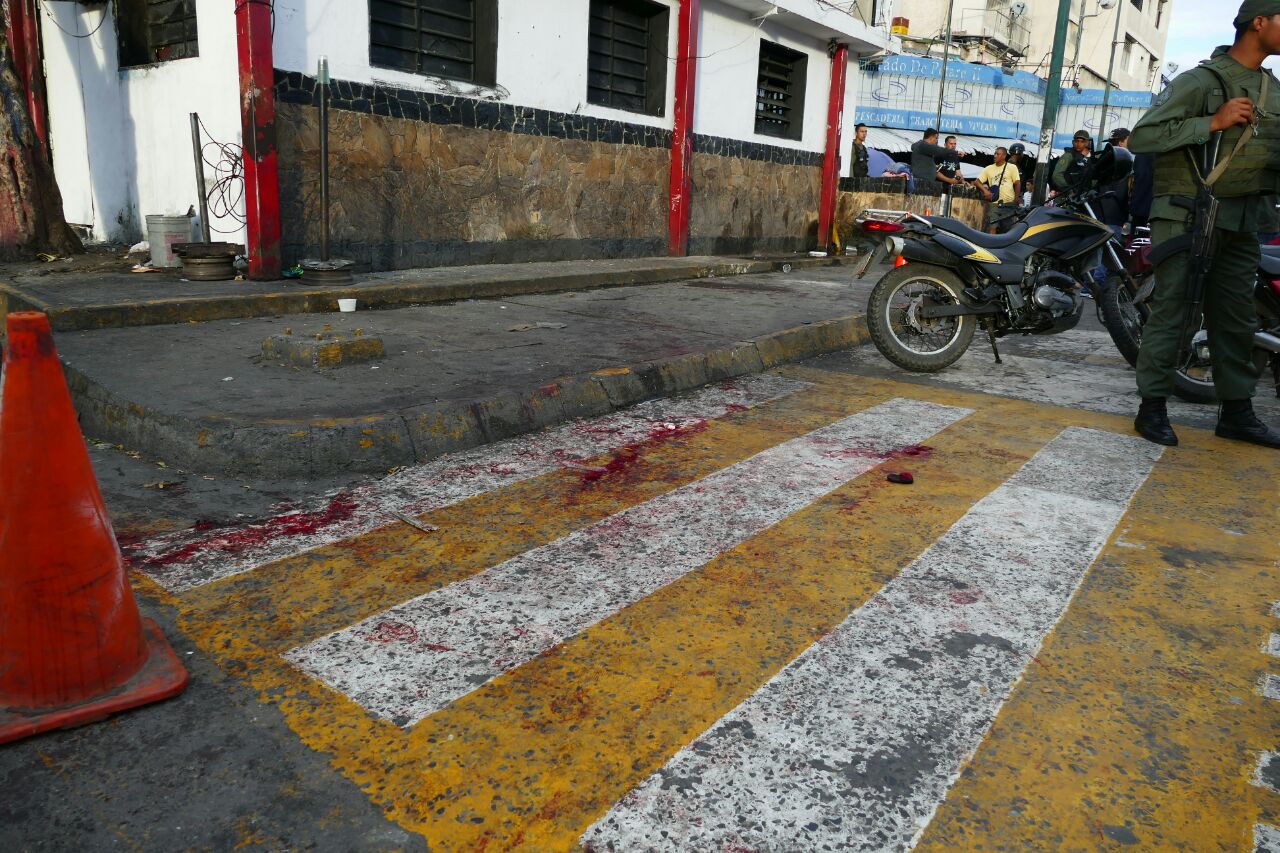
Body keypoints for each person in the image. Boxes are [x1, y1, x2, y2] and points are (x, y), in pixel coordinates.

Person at [1129, 0, 1280, 448]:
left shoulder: (1273, 90)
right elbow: (1144, 136)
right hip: (1188, 215)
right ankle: (1151, 407)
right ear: (1260, 22)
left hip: (1243, 219)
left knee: (1235, 319)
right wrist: (1210, 122)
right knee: (1174, 310)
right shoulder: (1199, 81)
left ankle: (1236, 412)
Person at [975, 146, 1021, 232]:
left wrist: (1016, 198)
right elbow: (977, 182)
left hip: (1008, 203)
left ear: (1004, 156)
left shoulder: (1012, 167)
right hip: (994, 203)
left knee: (1007, 228)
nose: (995, 156)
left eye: (998, 154)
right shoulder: (988, 168)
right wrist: (985, 191)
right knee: (993, 226)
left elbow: (1017, 183)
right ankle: (991, 244)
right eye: (995, 153)